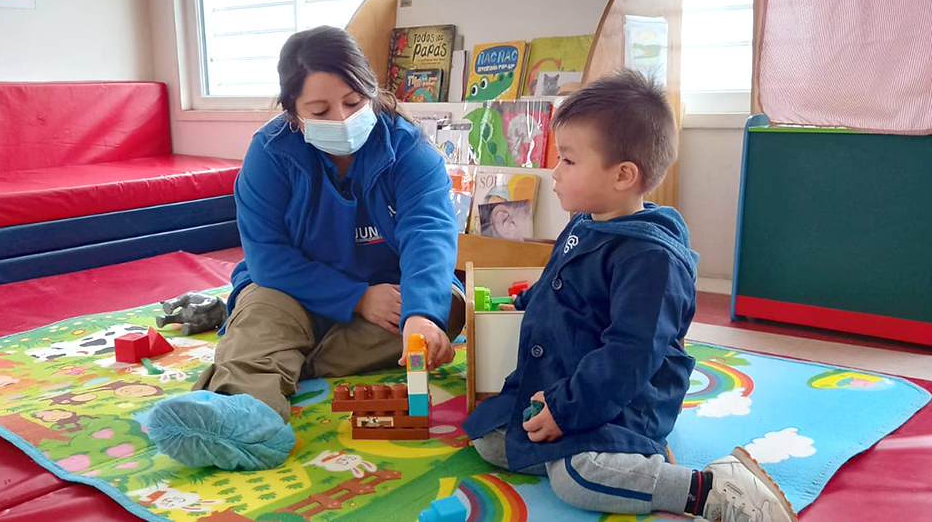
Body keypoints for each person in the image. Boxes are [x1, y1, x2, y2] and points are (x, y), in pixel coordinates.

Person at [462, 71, 797, 522]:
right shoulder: (589, 220)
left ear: (623, 175)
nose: (554, 173)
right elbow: (559, 279)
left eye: (567, 161)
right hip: (568, 375)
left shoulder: (650, 258)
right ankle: (597, 456)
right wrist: (525, 303)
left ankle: (711, 490)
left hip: (625, 399)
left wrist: (568, 409)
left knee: (578, 480)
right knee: (491, 437)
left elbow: (631, 354)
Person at [147, 26, 465, 471]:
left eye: (354, 103)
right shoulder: (271, 153)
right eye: (320, 109)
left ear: (371, 93)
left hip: (388, 298)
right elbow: (267, 259)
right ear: (294, 113)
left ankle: (269, 361)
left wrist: (421, 314)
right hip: (292, 292)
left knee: (447, 307)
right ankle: (250, 420)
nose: (341, 119)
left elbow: (429, 234)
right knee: (262, 308)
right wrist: (355, 297)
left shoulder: (409, 150)